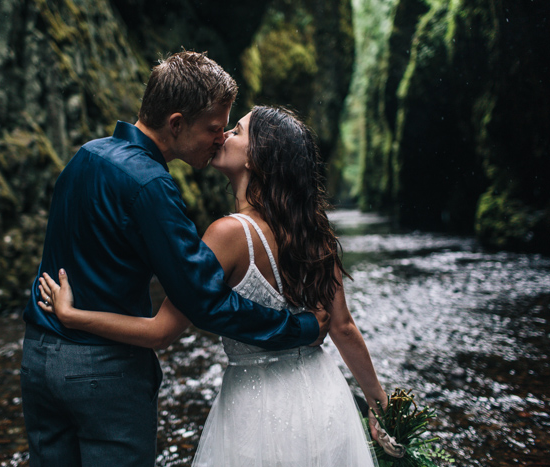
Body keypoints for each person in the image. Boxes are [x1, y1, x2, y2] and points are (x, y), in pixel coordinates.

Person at [20, 52, 329, 467]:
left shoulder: (85, 157)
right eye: (214, 129)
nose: (220, 139)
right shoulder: (150, 186)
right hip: (102, 372)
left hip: (39, 358)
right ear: (177, 123)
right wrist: (299, 327)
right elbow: (207, 301)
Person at [39, 106, 389, 466]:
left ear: (257, 157)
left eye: (236, 131)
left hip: (257, 407)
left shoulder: (227, 235)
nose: (222, 136)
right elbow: (343, 328)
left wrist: (74, 316)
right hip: (324, 396)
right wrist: (379, 403)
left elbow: (160, 331)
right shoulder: (315, 235)